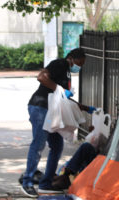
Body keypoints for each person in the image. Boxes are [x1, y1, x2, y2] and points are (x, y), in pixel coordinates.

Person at [21, 48, 96, 198]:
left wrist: (86, 108)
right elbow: (42, 77)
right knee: (38, 144)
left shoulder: (67, 72)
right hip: (40, 107)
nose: (79, 67)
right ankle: (27, 182)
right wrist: (59, 89)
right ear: (72, 58)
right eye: (80, 63)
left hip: (51, 112)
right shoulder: (60, 64)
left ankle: (46, 183)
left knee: (57, 146)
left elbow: (64, 98)